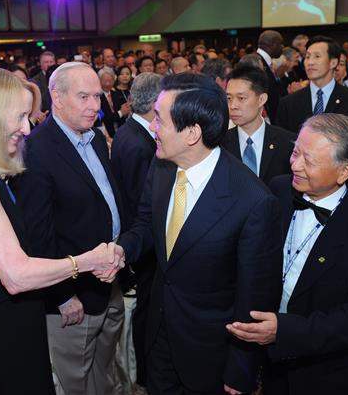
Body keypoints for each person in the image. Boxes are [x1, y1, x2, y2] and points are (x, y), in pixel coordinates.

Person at [0, 66, 123, 394]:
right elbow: (16, 276)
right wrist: (86, 262)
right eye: (20, 116)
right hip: (2, 334)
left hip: (13, 324)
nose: (26, 127)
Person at [114, 73, 282, 395]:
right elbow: (146, 225)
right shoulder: (162, 166)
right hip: (159, 335)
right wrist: (121, 250)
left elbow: (254, 296)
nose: (153, 127)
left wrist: (241, 369)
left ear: (192, 133)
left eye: (160, 120)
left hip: (209, 353)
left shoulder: (253, 201)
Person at [227, 114, 348, 394]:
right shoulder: (279, 190)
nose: (295, 165)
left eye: (309, 160)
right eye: (295, 152)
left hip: (324, 371)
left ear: (344, 171)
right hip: (264, 362)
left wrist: (285, 331)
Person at [14, 62, 126, 395]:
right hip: (72, 294)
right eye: (84, 97)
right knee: (76, 382)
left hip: (109, 280)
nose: (95, 105)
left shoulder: (94, 138)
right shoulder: (35, 149)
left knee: (104, 373)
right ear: (57, 98)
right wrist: (62, 296)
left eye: (97, 96)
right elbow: (37, 234)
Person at [109, 72, 161, 391]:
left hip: (136, 239)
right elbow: (144, 203)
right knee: (147, 309)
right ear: (156, 103)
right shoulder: (141, 144)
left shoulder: (130, 131)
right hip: (142, 242)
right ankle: (145, 374)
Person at [277, 36, 348, 136]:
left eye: (317, 56)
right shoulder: (288, 103)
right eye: (307, 57)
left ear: (333, 63)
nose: (310, 62)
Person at [223, 64, 295, 185]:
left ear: (261, 99)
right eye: (229, 98)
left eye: (241, 98)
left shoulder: (288, 144)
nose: (233, 106)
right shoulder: (219, 144)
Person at [256, 30, 284, 122]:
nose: (282, 47)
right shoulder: (255, 62)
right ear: (273, 44)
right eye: (281, 44)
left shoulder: (266, 62)